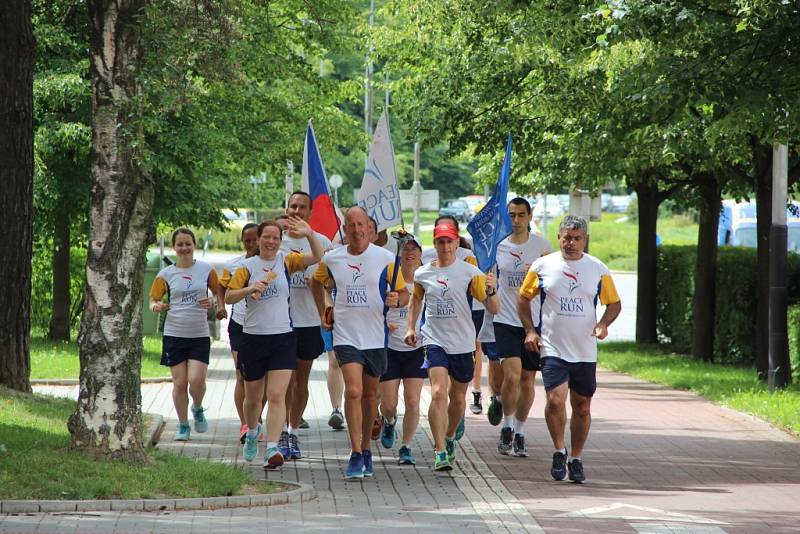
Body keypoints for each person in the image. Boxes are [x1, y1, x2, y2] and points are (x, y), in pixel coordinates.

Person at [518, 215, 621, 483]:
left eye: (576, 238)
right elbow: (523, 298)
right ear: (559, 238)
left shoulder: (598, 269)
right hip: (553, 347)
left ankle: (575, 457)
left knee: (582, 406)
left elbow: (614, 304)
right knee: (555, 401)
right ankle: (558, 450)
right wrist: (530, 330)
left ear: (584, 240)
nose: (571, 243)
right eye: (566, 238)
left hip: (585, 349)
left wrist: (602, 324)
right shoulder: (543, 266)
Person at [310, 206, 407, 480]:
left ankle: (366, 449)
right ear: (345, 229)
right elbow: (315, 283)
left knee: (368, 397)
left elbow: (404, 293)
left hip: (375, 335)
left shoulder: (386, 258)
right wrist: (323, 312)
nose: (356, 230)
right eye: (351, 225)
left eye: (360, 224)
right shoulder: (333, 258)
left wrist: (397, 299)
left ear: (369, 228)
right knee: (353, 391)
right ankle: (354, 452)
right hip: (346, 335)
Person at [225, 218, 323, 469]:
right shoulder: (247, 267)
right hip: (253, 338)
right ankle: (252, 432)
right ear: (258, 240)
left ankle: (271, 447)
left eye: (275, 238)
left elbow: (317, 257)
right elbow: (228, 295)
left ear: (281, 242)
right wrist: (249, 289)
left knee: (277, 394)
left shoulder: (286, 261)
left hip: (282, 337)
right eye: (266, 237)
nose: (270, 242)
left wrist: (310, 233)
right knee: (253, 399)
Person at [405, 222, 499, 471]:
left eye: (449, 241)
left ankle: (448, 438)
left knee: (458, 399)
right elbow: (416, 300)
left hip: (463, 343)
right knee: (438, 392)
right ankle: (439, 451)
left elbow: (494, 308)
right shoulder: (423, 273)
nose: (445, 246)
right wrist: (411, 328)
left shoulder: (470, 272)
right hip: (435, 340)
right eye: (440, 242)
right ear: (434, 244)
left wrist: (491, 290)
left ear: (457, 244)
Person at [149, 228, 226, 441]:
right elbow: (153, 300)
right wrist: (156, 306)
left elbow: (219, 292)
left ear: (194, 245)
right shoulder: (165, 274)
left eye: (188, 244)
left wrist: (213, 302)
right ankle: (183, 425)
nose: (184, 248)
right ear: (174, 248)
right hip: (174, 334)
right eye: (180, 244)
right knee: (180, 382)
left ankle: (198, 407)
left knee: (197, 380)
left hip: (199, 334)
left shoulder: (205, 270)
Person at [493, 197, 551, 457]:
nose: (515, 220)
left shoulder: (541, 246)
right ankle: (506, 424)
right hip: (505, 320)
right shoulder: (498, 246)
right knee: (512, 375)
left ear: (529, 217)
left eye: (520, 215)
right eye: (512, 215)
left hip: (534, 322)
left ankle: (520, 430)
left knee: (528, 379)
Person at [280, 192, 333, 459]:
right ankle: (279, 432)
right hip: (281, 323)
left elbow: (331, 279)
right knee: (284, 380)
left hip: (309, 322)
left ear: (310, 213)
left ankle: (293, 431)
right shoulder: (277, 241)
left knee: (301, 379)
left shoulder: (321, 242)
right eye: (293, 206)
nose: (297, 211)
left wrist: (327, 309)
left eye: (302, 207)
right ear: (286, 208)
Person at [379, 237, 425, 465]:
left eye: (414, 249)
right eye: (405, 249)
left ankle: (406, 446)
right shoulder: (388, 278)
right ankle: (388, 422)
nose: (409, 253)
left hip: (416, 348)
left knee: (413, 401)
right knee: (389, 404)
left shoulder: (426, 280)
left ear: (420, 254)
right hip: (390, 347)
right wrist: (383, 323)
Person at [219, 223, 260, 443]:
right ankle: (245, 424)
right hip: (239, 324)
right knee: (241, 376)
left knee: (259, 378)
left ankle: (257, 419)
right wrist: (220, 305)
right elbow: (221, 287)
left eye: (255, 239)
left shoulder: (271, 264)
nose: (251, 244)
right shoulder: (234, 265)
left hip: (264, 327)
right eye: (247, 240)